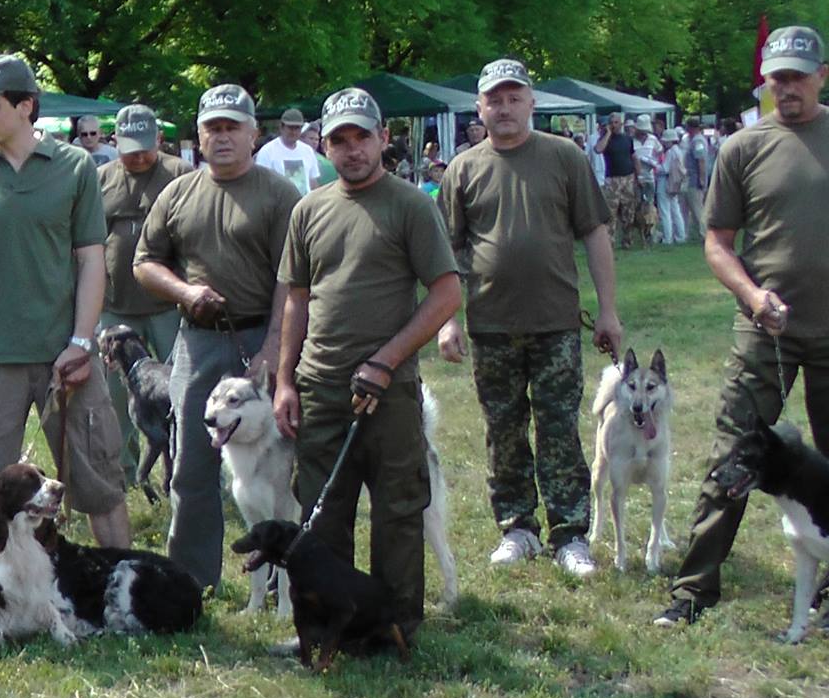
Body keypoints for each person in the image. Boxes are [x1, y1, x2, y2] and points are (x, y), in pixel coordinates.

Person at [657, 25, 829, 627]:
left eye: (797, 76)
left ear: (821, 75)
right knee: (732, 457)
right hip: (766, 332)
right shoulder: (743, 148)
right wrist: (754, 296)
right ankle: (693, 592)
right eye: (777, 77)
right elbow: (717, 243)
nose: (787, 87)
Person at [274, 87, 461, 640]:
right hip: (321, 385)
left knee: (398, 512)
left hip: (390, 387)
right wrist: (285, 381)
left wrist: (386, 359)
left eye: (362, 137)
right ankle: (330, 626)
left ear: (383, 138)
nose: (352, 150)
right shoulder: (308, 208)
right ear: (323, 145)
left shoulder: (410, 205)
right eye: (339, 139)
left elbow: (447, 294)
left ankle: (395, 626)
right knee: (322, 514)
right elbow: (297, 299)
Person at [437, 57, 622, 579]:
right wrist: (447, 321)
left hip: (556, 321)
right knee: (504, 430)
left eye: (515, 97)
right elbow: (446, 255)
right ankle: (518, 527)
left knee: (559, 427)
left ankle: (570, 534)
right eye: (495, 99)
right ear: (480, 107)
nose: (505, 107)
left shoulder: (565, 157)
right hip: (491, 325)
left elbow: (595, 235)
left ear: (531, 103)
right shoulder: (463, 169)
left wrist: (608, 311)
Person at [0, 54, 129, 549]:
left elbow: (91, 261)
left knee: (98, 477)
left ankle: (125, 589)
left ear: (26, 107)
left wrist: (82, 343)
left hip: (64, 355)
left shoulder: (75, 167)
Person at [135, 83, 298, 589]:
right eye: (213, 128)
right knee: (190, 464)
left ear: (253, 133)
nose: (223, 137)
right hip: (199, 340)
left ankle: (286, 576)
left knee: (278, 467)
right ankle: (190, 579)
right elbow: (144, 263)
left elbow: (292, 280)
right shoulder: (178, 193)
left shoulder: (278, 194)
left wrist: (274, 351)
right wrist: (184, 292)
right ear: (199, 136)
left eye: (233, 127)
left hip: (261, 337)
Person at [97, 103, 190, 483]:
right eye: (129, 146)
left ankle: (189, 468)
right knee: (115, 397)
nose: (137, 154)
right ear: (115, 140)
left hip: (167, 305)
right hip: (116, 305)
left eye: (145, 146)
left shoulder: (181, 175)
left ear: (160, 139)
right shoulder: (100, 178)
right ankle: (120, 470)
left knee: (180, 388)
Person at [254, 108, 325, 195]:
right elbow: (261, 185)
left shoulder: (308, 151)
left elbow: (312, 182)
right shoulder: (267, 151)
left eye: (297, 128)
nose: (294, 132)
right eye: (290, 128)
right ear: (282, 127)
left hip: (304, 205)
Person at [599, 112, 642, 248]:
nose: (613, 125)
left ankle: (627, 240)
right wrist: (607, 134)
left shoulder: (627, 139)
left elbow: (634, 157)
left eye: (616, 122)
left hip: (628, 178)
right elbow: (598, 149)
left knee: (628, 212)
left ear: (621, 124)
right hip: (612, 179)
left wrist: (639, 176)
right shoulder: (605, 139)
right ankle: (609, 242)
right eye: (611, 123)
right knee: (610, 212)